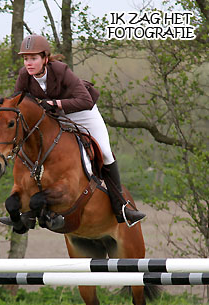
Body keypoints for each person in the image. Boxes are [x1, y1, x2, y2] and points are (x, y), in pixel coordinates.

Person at [14, 34, 145, 226]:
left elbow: (85, 100)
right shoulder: (24, 75)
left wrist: (55, 103)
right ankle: (29, 209)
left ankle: (121, 208)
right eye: (26, 59)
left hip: (83, 112)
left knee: (106, 153)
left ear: (45, 58)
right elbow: (16, 102)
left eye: (33, 58)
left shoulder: (61, 70)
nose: (28, 63)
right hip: (54, 116)